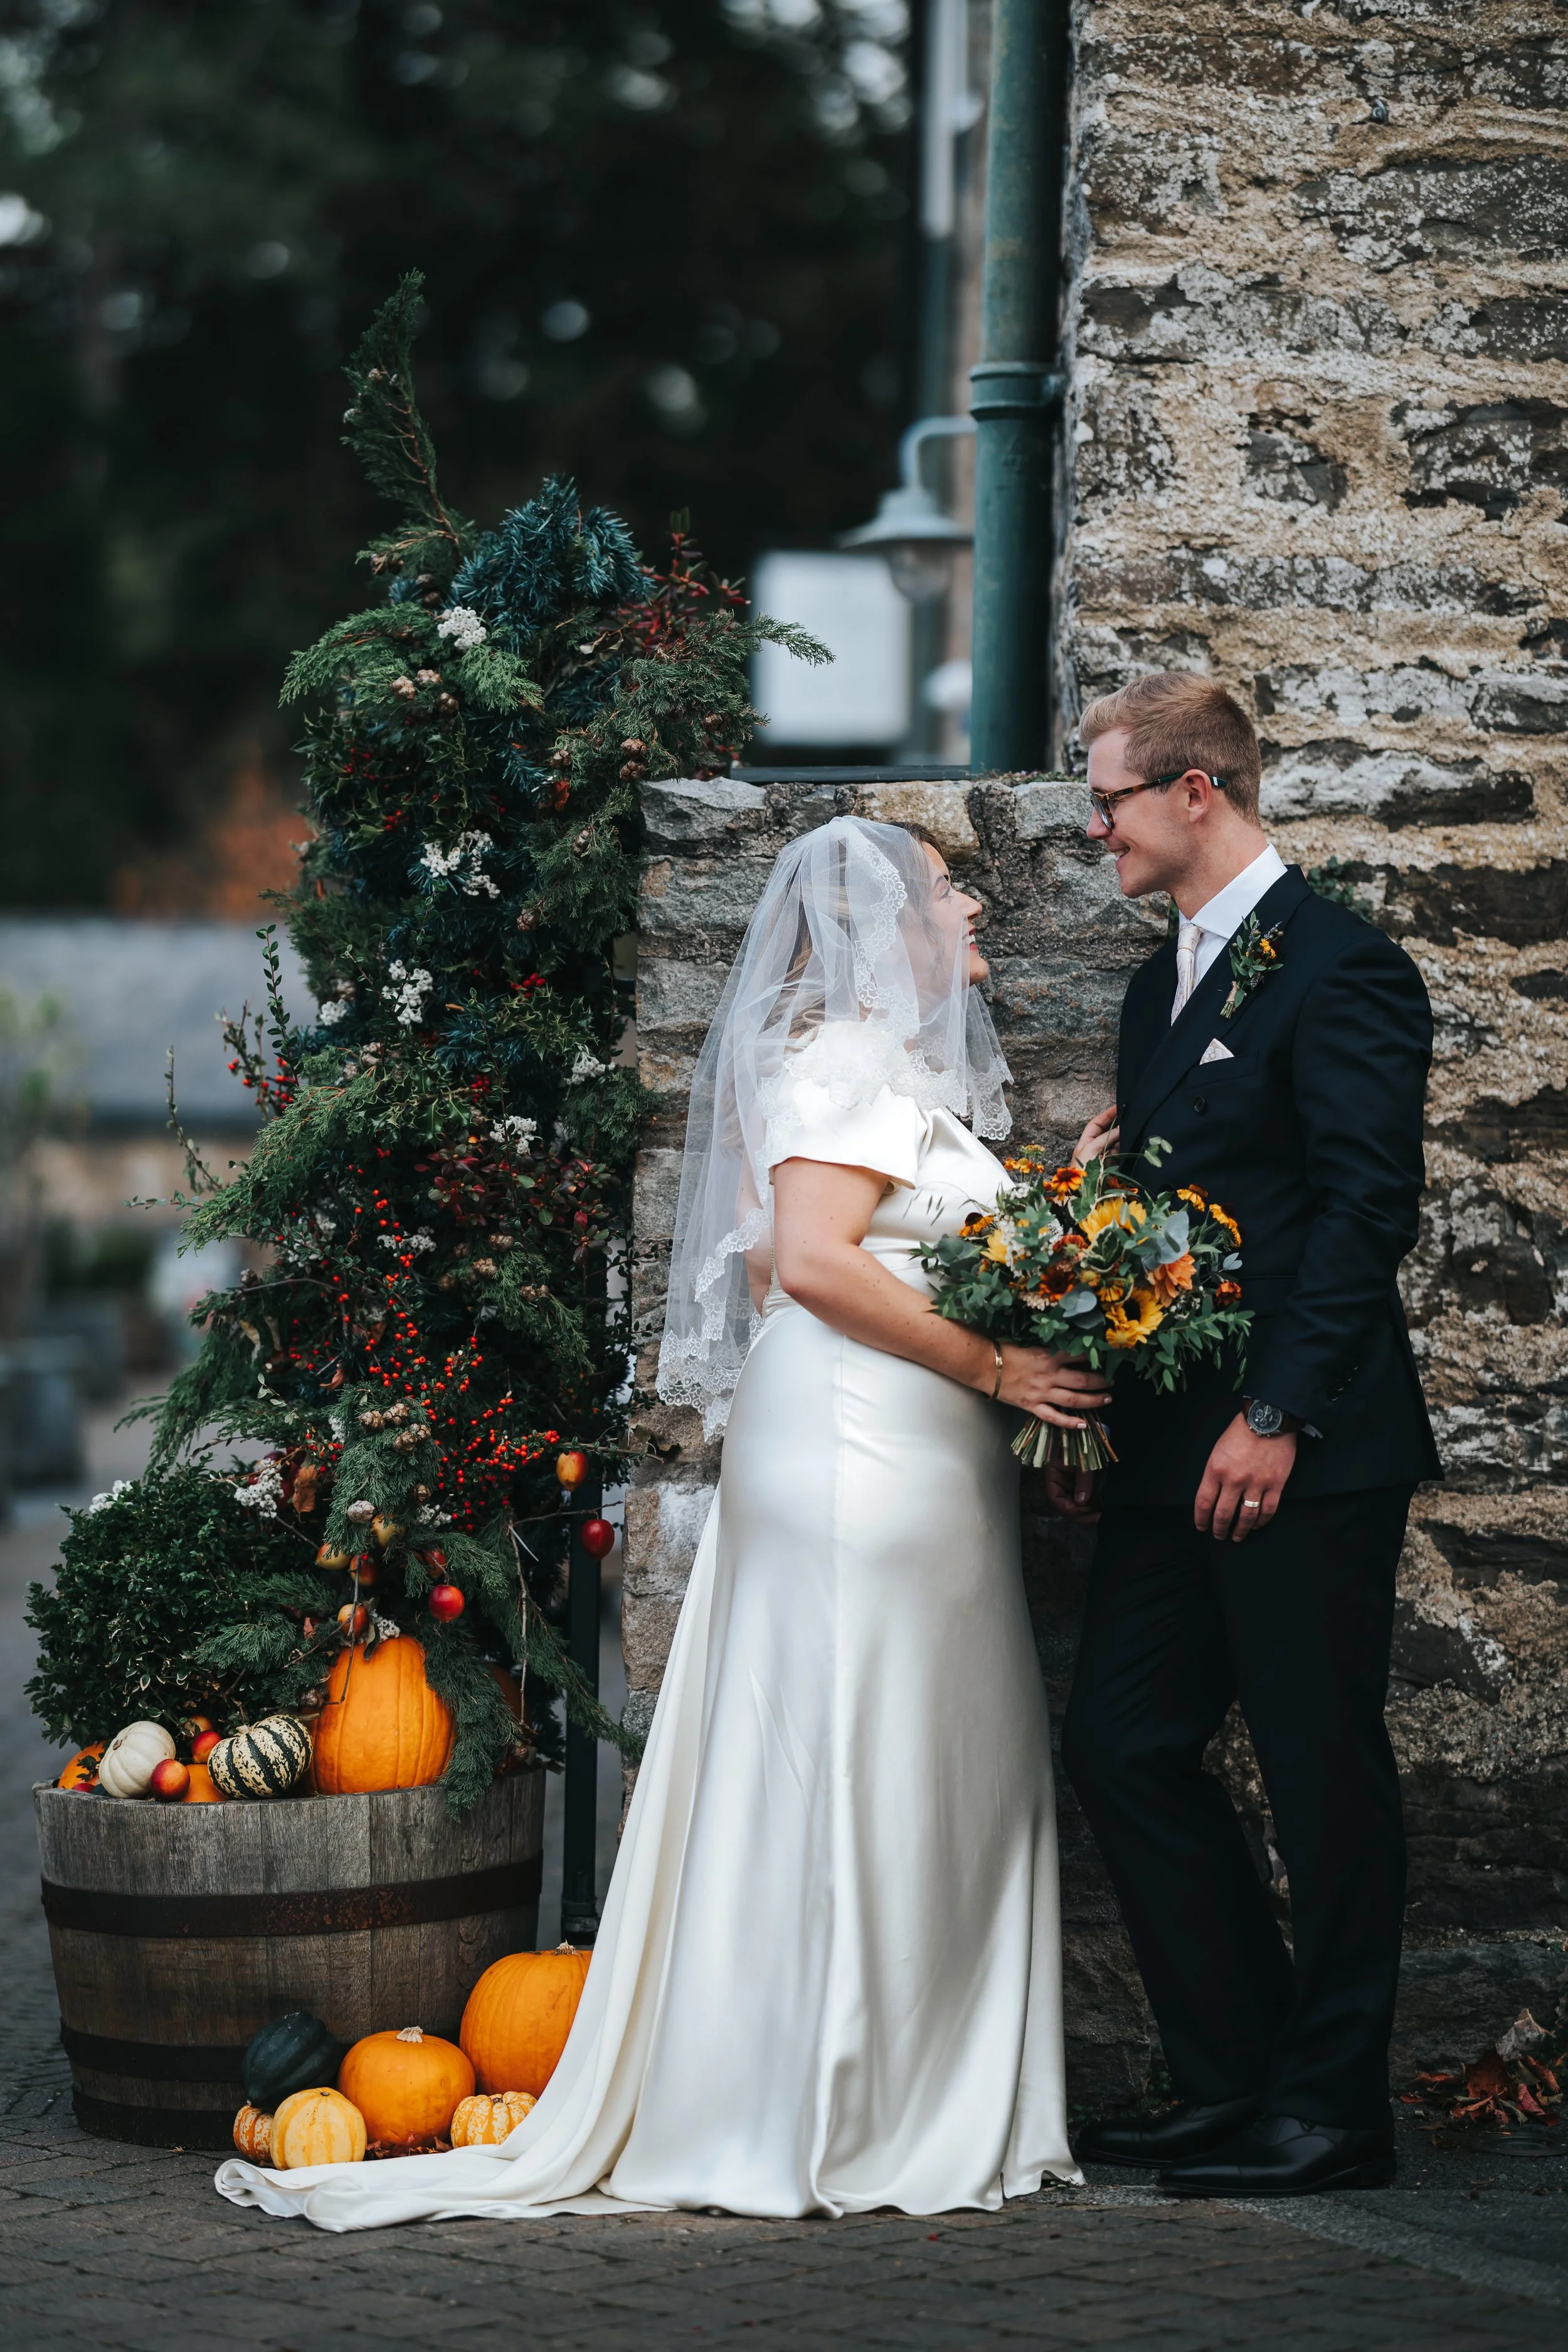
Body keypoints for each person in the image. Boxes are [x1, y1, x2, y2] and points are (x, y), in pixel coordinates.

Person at [218, 815, 1103, 2231]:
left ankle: (903, 2086)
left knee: (932, 1763)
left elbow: (879, 1248)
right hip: (859, 1469)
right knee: (856, 1754)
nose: (977, 906)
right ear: (884, 922)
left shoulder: (895, 1085)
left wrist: (1065, 1222)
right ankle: (830, 2104)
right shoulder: (843, 1062)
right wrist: (998, 1370)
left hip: (918, 1473)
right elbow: (806, 1267)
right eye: (953, 891)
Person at [1055, 674, 1439, 2198]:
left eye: (1109, 803)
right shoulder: (1158, 988)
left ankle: (1334, 2109)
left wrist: (1276, 1412)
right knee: (1123, 1745)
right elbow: (1157, 1230)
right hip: (1164, 1454)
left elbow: (1362, 1210)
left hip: (1306, 1448)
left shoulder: (1342, 965)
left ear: (1195, 791)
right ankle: (1231, 2076)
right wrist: (1093, 1416)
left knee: (1319, 1766)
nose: (1096, 831)